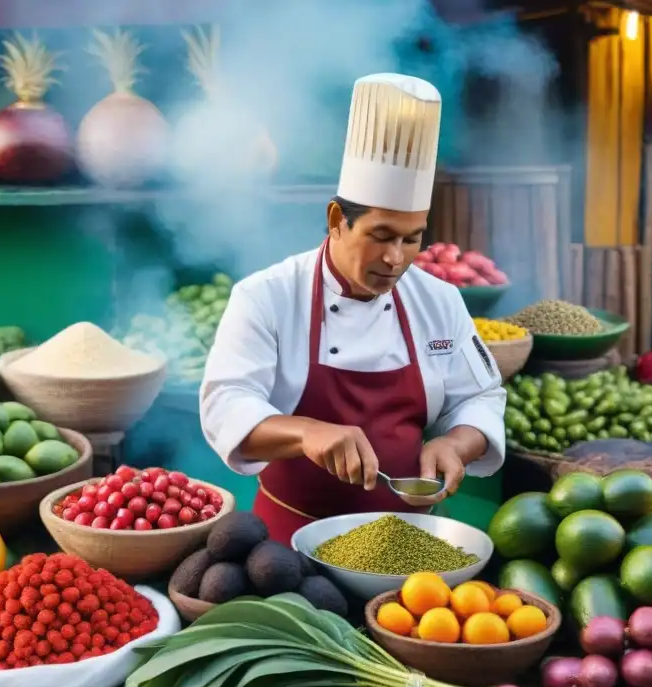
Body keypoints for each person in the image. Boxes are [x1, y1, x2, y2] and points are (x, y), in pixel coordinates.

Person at [199, 73, 507, 544]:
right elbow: (225, 403)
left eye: (412, 239)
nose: (396, 258)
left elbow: (480, 397)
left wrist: (455, 444)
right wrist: (305, 432)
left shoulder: (439, 299)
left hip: (408, 539)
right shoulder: (267, 296)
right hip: (289, 540)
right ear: (337, 221)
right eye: (381, 236)